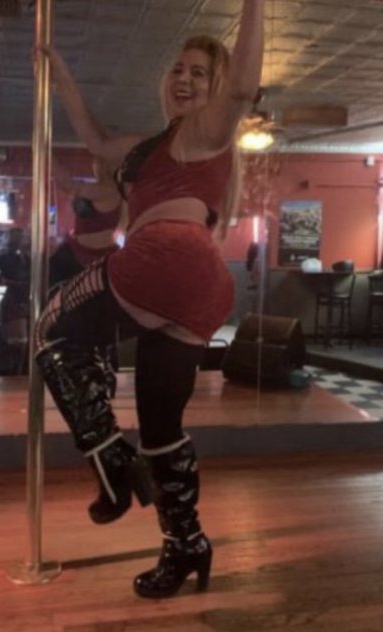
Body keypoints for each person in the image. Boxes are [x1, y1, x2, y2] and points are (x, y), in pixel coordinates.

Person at [35, 0, 264, 599]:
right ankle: (186, 545)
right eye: (178, 69)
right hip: (201, 285)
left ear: (213, 89)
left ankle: (112, 463)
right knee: (162, 428)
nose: (185, 79)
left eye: (200, 74)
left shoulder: (206, 130)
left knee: (50, 327)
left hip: (161, 261)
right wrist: (58, 70)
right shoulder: (151, 144)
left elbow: (243, 88)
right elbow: (94, 138)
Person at [49, 156, 124, 395]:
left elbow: (66, 183)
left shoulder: (109, 190)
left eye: (100, 160)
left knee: (88, 319)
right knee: (88, 319)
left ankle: (95, 375)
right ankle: (92, 374)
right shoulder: (112, 190)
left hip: (90, 258)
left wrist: (48, 156)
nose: (96, 164)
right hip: (88, 256)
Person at [0, 227, 31, 369]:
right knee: (18, 344)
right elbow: (17, 278)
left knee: (19, 344)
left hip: (20, 301)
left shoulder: (24, 258)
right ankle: (16, 372)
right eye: (23, 238)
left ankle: (16, 371)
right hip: (16, 302)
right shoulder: (10, 258)